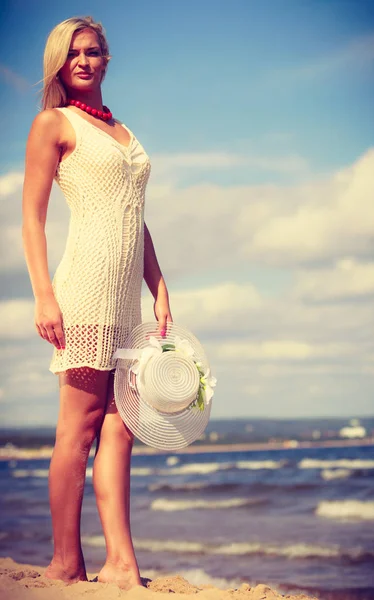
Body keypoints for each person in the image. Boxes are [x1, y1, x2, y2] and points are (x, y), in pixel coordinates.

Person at [21, 15, 173, 589]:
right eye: (73, 54)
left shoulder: (123, 132)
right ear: (60, 64)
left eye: (93, 51)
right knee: (78, 429)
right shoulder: (52, 124)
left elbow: (137, 220)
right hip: (83, 290)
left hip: (126, 302)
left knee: (122, 426)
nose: (83, 61)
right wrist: (44, 296)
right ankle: (65, 560)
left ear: (107, 58)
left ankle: (121, 564)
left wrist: (158, 285)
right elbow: (32, 218)